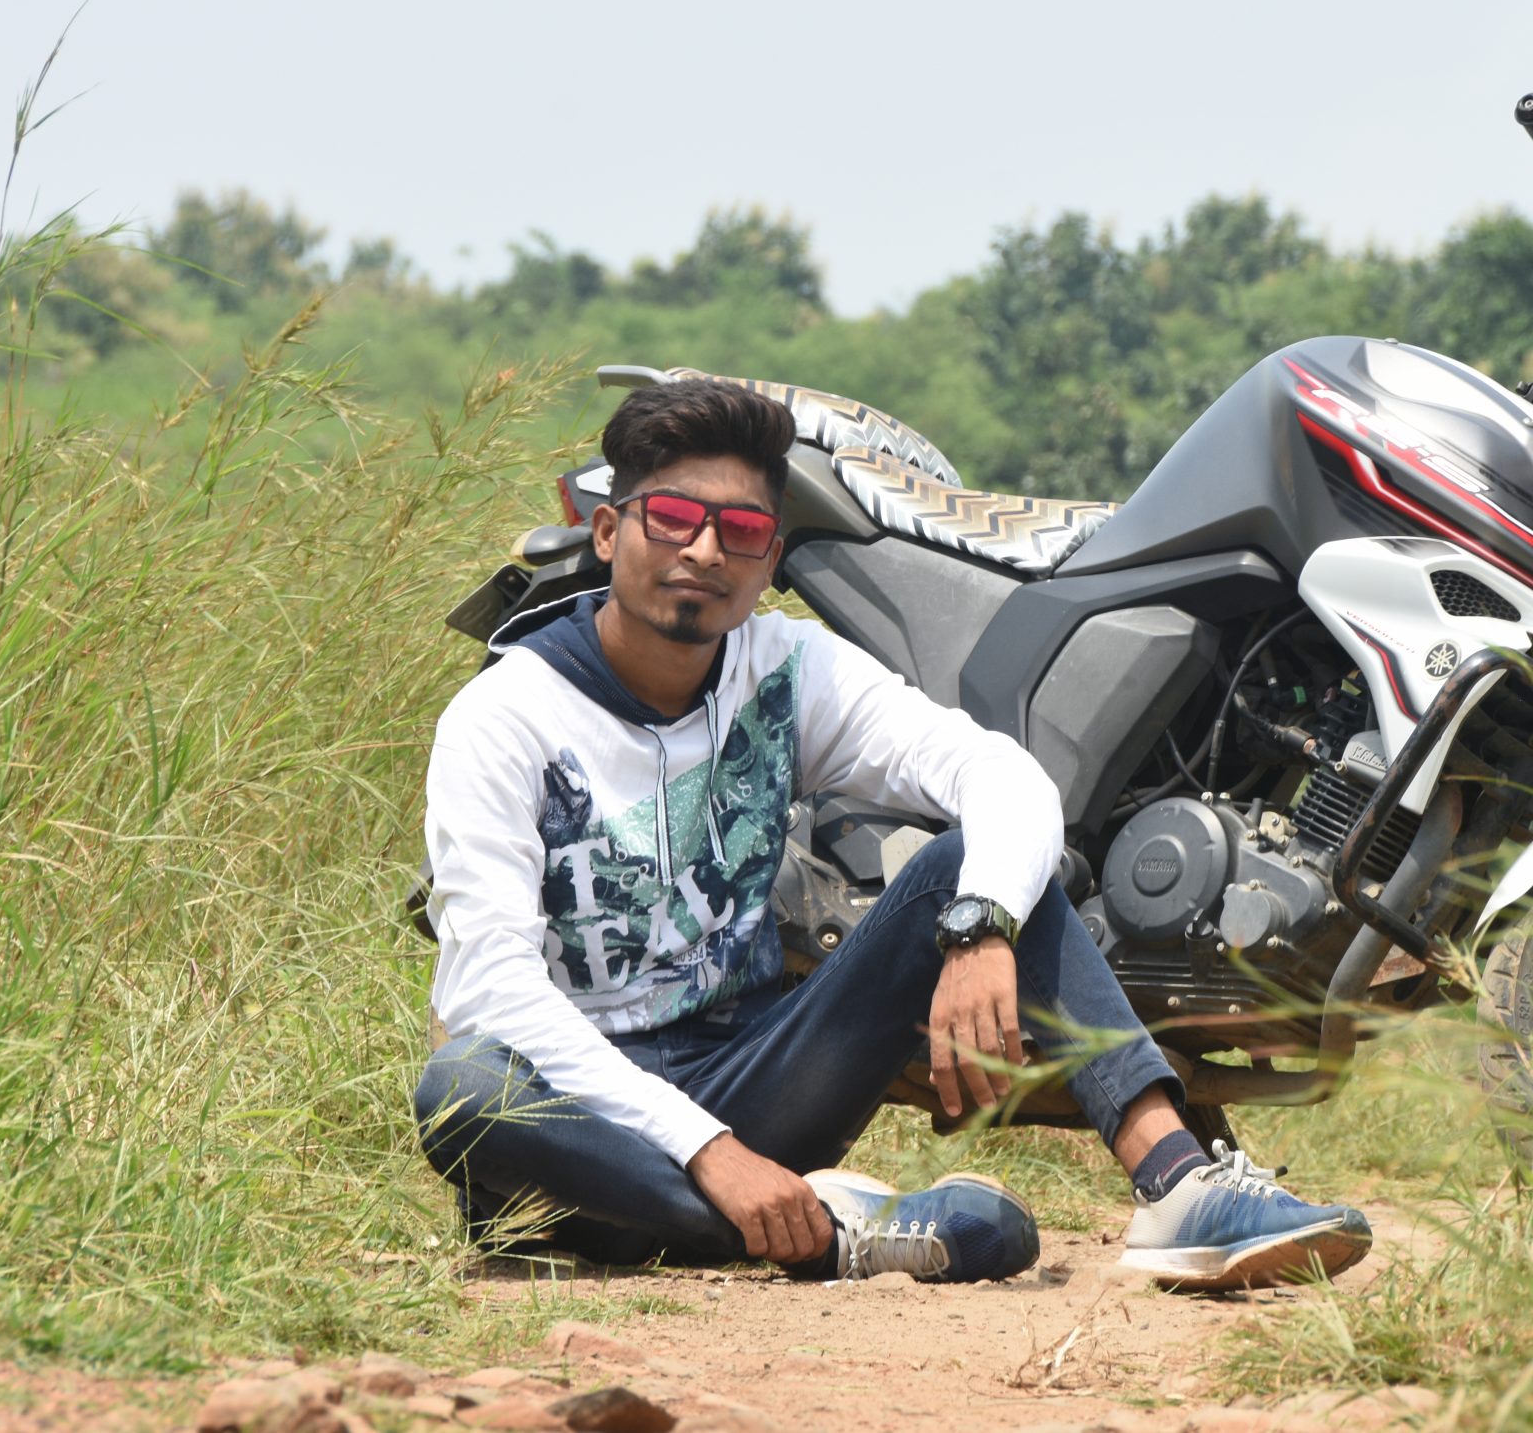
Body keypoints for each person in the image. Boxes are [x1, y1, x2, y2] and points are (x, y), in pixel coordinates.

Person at [413, 377, 1372, 1289]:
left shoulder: (789, 671)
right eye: (673, 518)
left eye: (741, 530)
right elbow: (491, 990)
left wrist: (980, 922)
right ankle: (836, 1234)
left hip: (759, 1074)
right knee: (462, 1085)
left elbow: (1003, 776)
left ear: (770, 558)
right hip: (591, 1122)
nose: (704, 551)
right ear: (611, 529)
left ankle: (1179, 1183)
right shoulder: (504, 717)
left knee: (978, 863)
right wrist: (713, 1156)